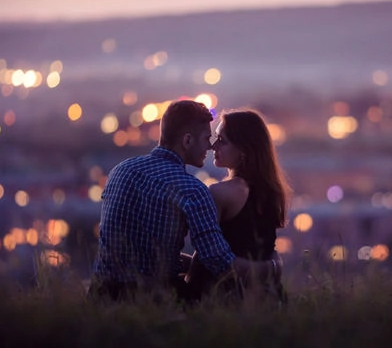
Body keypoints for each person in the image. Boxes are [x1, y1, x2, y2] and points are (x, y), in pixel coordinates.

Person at [88, 100, 279, 303]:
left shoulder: (120, 170)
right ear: (187, 141)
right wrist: (271, 268)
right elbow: (220, 262)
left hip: (101, 296)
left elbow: (138, 251)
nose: (210, 145)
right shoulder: (191, 190)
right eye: (207, 138)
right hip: (153, 301)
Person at [187, 109, 291, 302]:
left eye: (222, 140)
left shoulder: (220, 192)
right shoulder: (271, 192)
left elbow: (206, 257)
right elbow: (265, 251)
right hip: (266, 296)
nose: (213, 146)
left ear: (243, 150)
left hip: (223, 298)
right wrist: (273, 268)